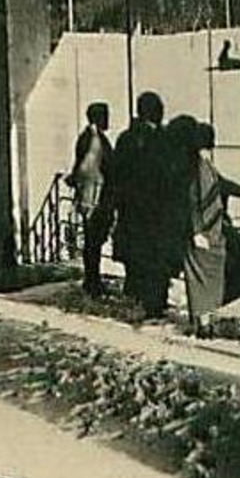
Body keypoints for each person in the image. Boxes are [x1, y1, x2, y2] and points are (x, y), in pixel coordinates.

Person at [182, 121, 240, 337]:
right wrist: (196, 231)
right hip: (205, 229)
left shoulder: (200, 163)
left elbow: (221, 185)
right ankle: (204, 320)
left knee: (207, 274)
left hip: (211, 227)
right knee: (207, 273)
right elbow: (192, 200)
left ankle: (206, 317)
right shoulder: (195, 166)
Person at [108, 91, 179, 317]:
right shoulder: (155, 139)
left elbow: (116, 175)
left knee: (141, 258)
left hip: (137, 211)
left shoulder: (127, 138)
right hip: (150, 211)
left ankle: (145, 301)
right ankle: (152, 303)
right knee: (151, 258)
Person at [65, 101, 113, 295]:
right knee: (94, 239)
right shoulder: (94, 139)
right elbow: (88, 168)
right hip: (95, 196)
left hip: (90, 195)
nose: (108, 119)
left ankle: (92, 279)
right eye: (105, 115)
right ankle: (92, 281)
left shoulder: (91, 137)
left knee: (93, 239)